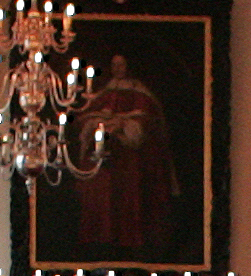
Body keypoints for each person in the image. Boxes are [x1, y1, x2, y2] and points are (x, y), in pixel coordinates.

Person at [70, 52, 175, 254]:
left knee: (128, 196)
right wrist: (100, 122)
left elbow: (150, 121)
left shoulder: (141, 92)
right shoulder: (104, 92)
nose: (118, 69)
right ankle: (99, 238)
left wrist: (124, 124)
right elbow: (86, 116)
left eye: (122, 64)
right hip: (103, 161)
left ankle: (131, 240)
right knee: (101, 196)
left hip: (130, 159)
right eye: (114, 65)